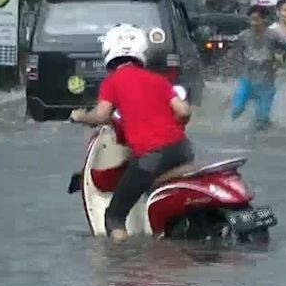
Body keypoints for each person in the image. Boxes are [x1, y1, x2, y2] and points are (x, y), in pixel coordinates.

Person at [69, 24, 194, 243]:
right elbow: (184, 111)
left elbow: (101, 116)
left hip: (151, 158)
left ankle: (124, 263)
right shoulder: (159, 80)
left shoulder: (112, 81)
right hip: (183, 149)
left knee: (114, 216)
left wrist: (80, 117)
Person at [229, 6, 286, 130]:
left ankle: (263, 129)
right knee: (236, 110)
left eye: (257, 20)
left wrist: (283, 62)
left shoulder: (273, 36)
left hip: (266, 83)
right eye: (251, 20)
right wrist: (235, 66)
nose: (254, 23)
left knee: (261, 119)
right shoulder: (243, 36)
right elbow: (234, 53)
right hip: (247, 79)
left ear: (264, 20)